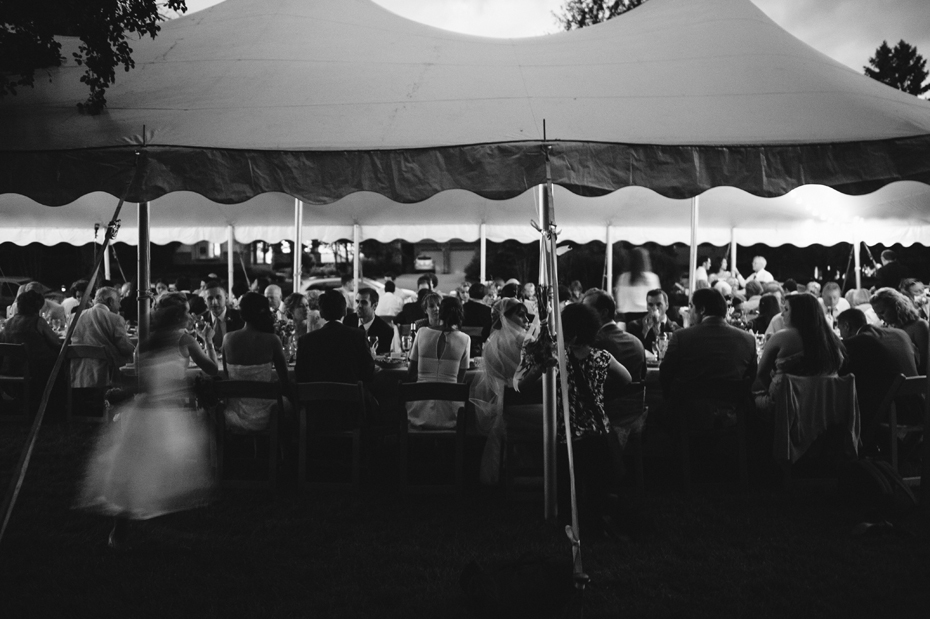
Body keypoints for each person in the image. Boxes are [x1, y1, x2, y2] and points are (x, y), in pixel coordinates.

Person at [77, 291, 218, 549]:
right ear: (178, 318)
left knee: (134, 471)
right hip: (167, 413)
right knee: (174, 469)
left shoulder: (147, 342)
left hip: (143, 411)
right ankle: (180, 528)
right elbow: (212, 369)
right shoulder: (186, 340)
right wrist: (208, 341)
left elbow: (144, 380)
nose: (190, 317)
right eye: (187, 314)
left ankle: (121, 531)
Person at [516, 303, 631, 537]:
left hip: (567, 433)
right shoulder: (602, 357)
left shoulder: (558, 360)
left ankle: (571, 524)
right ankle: (598, 522)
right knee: (597, 487)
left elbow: (524, 386)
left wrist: (540, 366)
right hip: (598, 432)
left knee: (571, 487)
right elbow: (626, 379)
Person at [659, 288, 757, 429]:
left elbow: (665, 375)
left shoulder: (681, 337)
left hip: (688, 418)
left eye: (691, 306)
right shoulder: (748, 340)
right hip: (733, 419)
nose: (689, 311)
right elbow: (750, 378)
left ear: (702, 310)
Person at [836, 308, 920, 449]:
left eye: (840, 330)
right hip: (918, 404)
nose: (841, 335)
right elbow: (916, 361)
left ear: (846, 326)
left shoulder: (859, 342)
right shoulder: (900, 334)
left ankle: (855, 453)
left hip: (893, 409)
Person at [471, 297, 530, 484]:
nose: (527, 320)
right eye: (521, 316)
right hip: (526, 404)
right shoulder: (527, 341)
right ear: (506, 318)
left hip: (502, 402)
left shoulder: (491, 341)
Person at [754, 293, 846, 411]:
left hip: (785, 406)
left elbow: (761, 374)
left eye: (786, 309)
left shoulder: (781, 337)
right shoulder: (831, 339)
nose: (782, 314)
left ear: (799, 313)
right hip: (822, 406)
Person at [222, 292, 290, 432]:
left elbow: (227, 377)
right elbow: (285, 380)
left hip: (234, 413)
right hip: (266, 415)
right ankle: (282, 451)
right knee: (291, 405)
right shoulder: (272, 340)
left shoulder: (227, 339)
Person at [405, 296, 471, 430]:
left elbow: (411, 373)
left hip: (419, 410)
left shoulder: (422, 332)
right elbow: (460, 380)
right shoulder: (465, 339)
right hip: (451, 413)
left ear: (441, 312)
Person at [294, 289, 374, 385]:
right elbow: (368, 371)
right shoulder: (358, 336)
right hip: (351, 397)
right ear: (345, 311)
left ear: (322, 313)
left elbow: (300, 375)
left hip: (317, 398)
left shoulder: (305, 340)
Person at [0, 289, 62, 409]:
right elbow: (57, 343)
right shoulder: (37, 321)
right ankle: (55, 404)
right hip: (35, 369)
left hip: (9, 368)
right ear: (37, 306)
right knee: (61, 362)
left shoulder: (9, 322)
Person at [70, 287, 136, 392]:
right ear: (110, 301)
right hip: (105, 377)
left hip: (77, 374)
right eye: (118, 302)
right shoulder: (115, 319)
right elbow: (125, 349)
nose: (120, 306)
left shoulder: (74, 317)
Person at [582, 289, 644, 382]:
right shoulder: (636, 342)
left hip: (608, 396)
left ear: (603, 313)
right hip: (634, 396)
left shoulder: (595, 344)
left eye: (586, 310)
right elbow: (643, 377)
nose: (582, 315)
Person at [870, 287, 929, 373]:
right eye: (877, 314)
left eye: (882, 312)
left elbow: (925, 362)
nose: (880, 318)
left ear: (897, 306)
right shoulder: (884, 328)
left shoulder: (919, 326)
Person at [626, 289, 680, 354]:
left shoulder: (677, 331)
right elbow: (632, 352)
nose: (654, 308)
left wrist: (659, 336)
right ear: (647, 306)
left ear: (667, 305)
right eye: (651, 305)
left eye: (658, 304)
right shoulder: (634, 326)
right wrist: (644, 332)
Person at [615, 247, 661, 323]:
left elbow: (620, 302)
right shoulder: (652, 278)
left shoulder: (623, 278)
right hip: (648, 318)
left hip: (628, 318)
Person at [345, 287, 394, 355]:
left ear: (374, 306)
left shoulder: (385, 330)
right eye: (357, 302)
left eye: (364, 302)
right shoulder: (347, 321)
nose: (359, 306)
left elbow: (382, 358)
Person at [204, 281, 245, 351]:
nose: (214, 302)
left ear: (226, 297)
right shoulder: (201, 320)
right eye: (210, 298)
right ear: (205, 301)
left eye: (218, 297)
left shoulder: (240, 317)